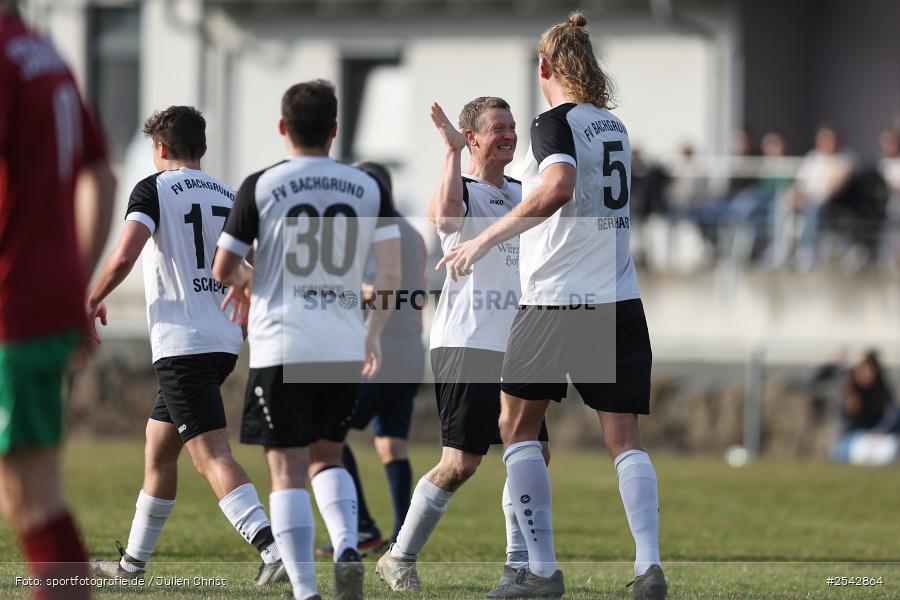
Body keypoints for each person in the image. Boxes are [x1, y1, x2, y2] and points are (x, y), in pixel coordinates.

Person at [437, 12, 666, 599]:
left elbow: (558, 186)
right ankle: (648, 567)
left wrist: (485, 238)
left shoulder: (553, 123)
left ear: (544, 69)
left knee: (515, 426)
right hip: (618, 297)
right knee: (625, 439)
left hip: (557, 302)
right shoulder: (614, 126)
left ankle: (539, 571)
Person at [212, 80, 401, 600]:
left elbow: (224, 266)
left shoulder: (260, 185)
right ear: (335, 130)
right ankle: (345, 546)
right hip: (342, 342)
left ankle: (305, 591)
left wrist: (252, 282)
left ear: (282, 128)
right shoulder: (367, 186)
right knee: (328, 455)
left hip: (282, 344)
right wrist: (374, 334)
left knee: (286, 470)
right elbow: (389, 276)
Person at [85, 106, 286, 585]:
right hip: (221, 342)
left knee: (211, 455)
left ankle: (274, 551)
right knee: (159, 450)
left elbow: (125, 253)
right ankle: (132, 566)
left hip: (182, 344)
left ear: (160, 149)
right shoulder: (229, 193)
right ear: (203, 148)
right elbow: (258, 266)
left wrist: (91, 297)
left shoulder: (153, 188)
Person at [376, 97, 550, 595]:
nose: (510, 135)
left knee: (532, 451)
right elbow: (447, 219)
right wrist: (450, 153)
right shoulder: (462, 188)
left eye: (513, 127)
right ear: (472, 138)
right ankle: (399, 556)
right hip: (468, 342)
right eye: (498, 128)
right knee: (461, 464)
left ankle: (518, 567)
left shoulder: (522, 191)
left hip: (521, 344)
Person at [0, 3, 116, 599]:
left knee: (31, 491)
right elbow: (101, 171)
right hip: (39, 300)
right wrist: (72, 281)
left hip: (10, 305)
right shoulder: (45, 55)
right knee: (29, 488)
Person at [316, 161, 427, 558]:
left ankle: (362, 529)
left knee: (327, 432)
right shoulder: (413, 233)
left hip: (380, 348)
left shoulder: (373, 232)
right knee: (392, 445)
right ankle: (401, 537)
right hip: (412, 350)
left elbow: (378, 289)